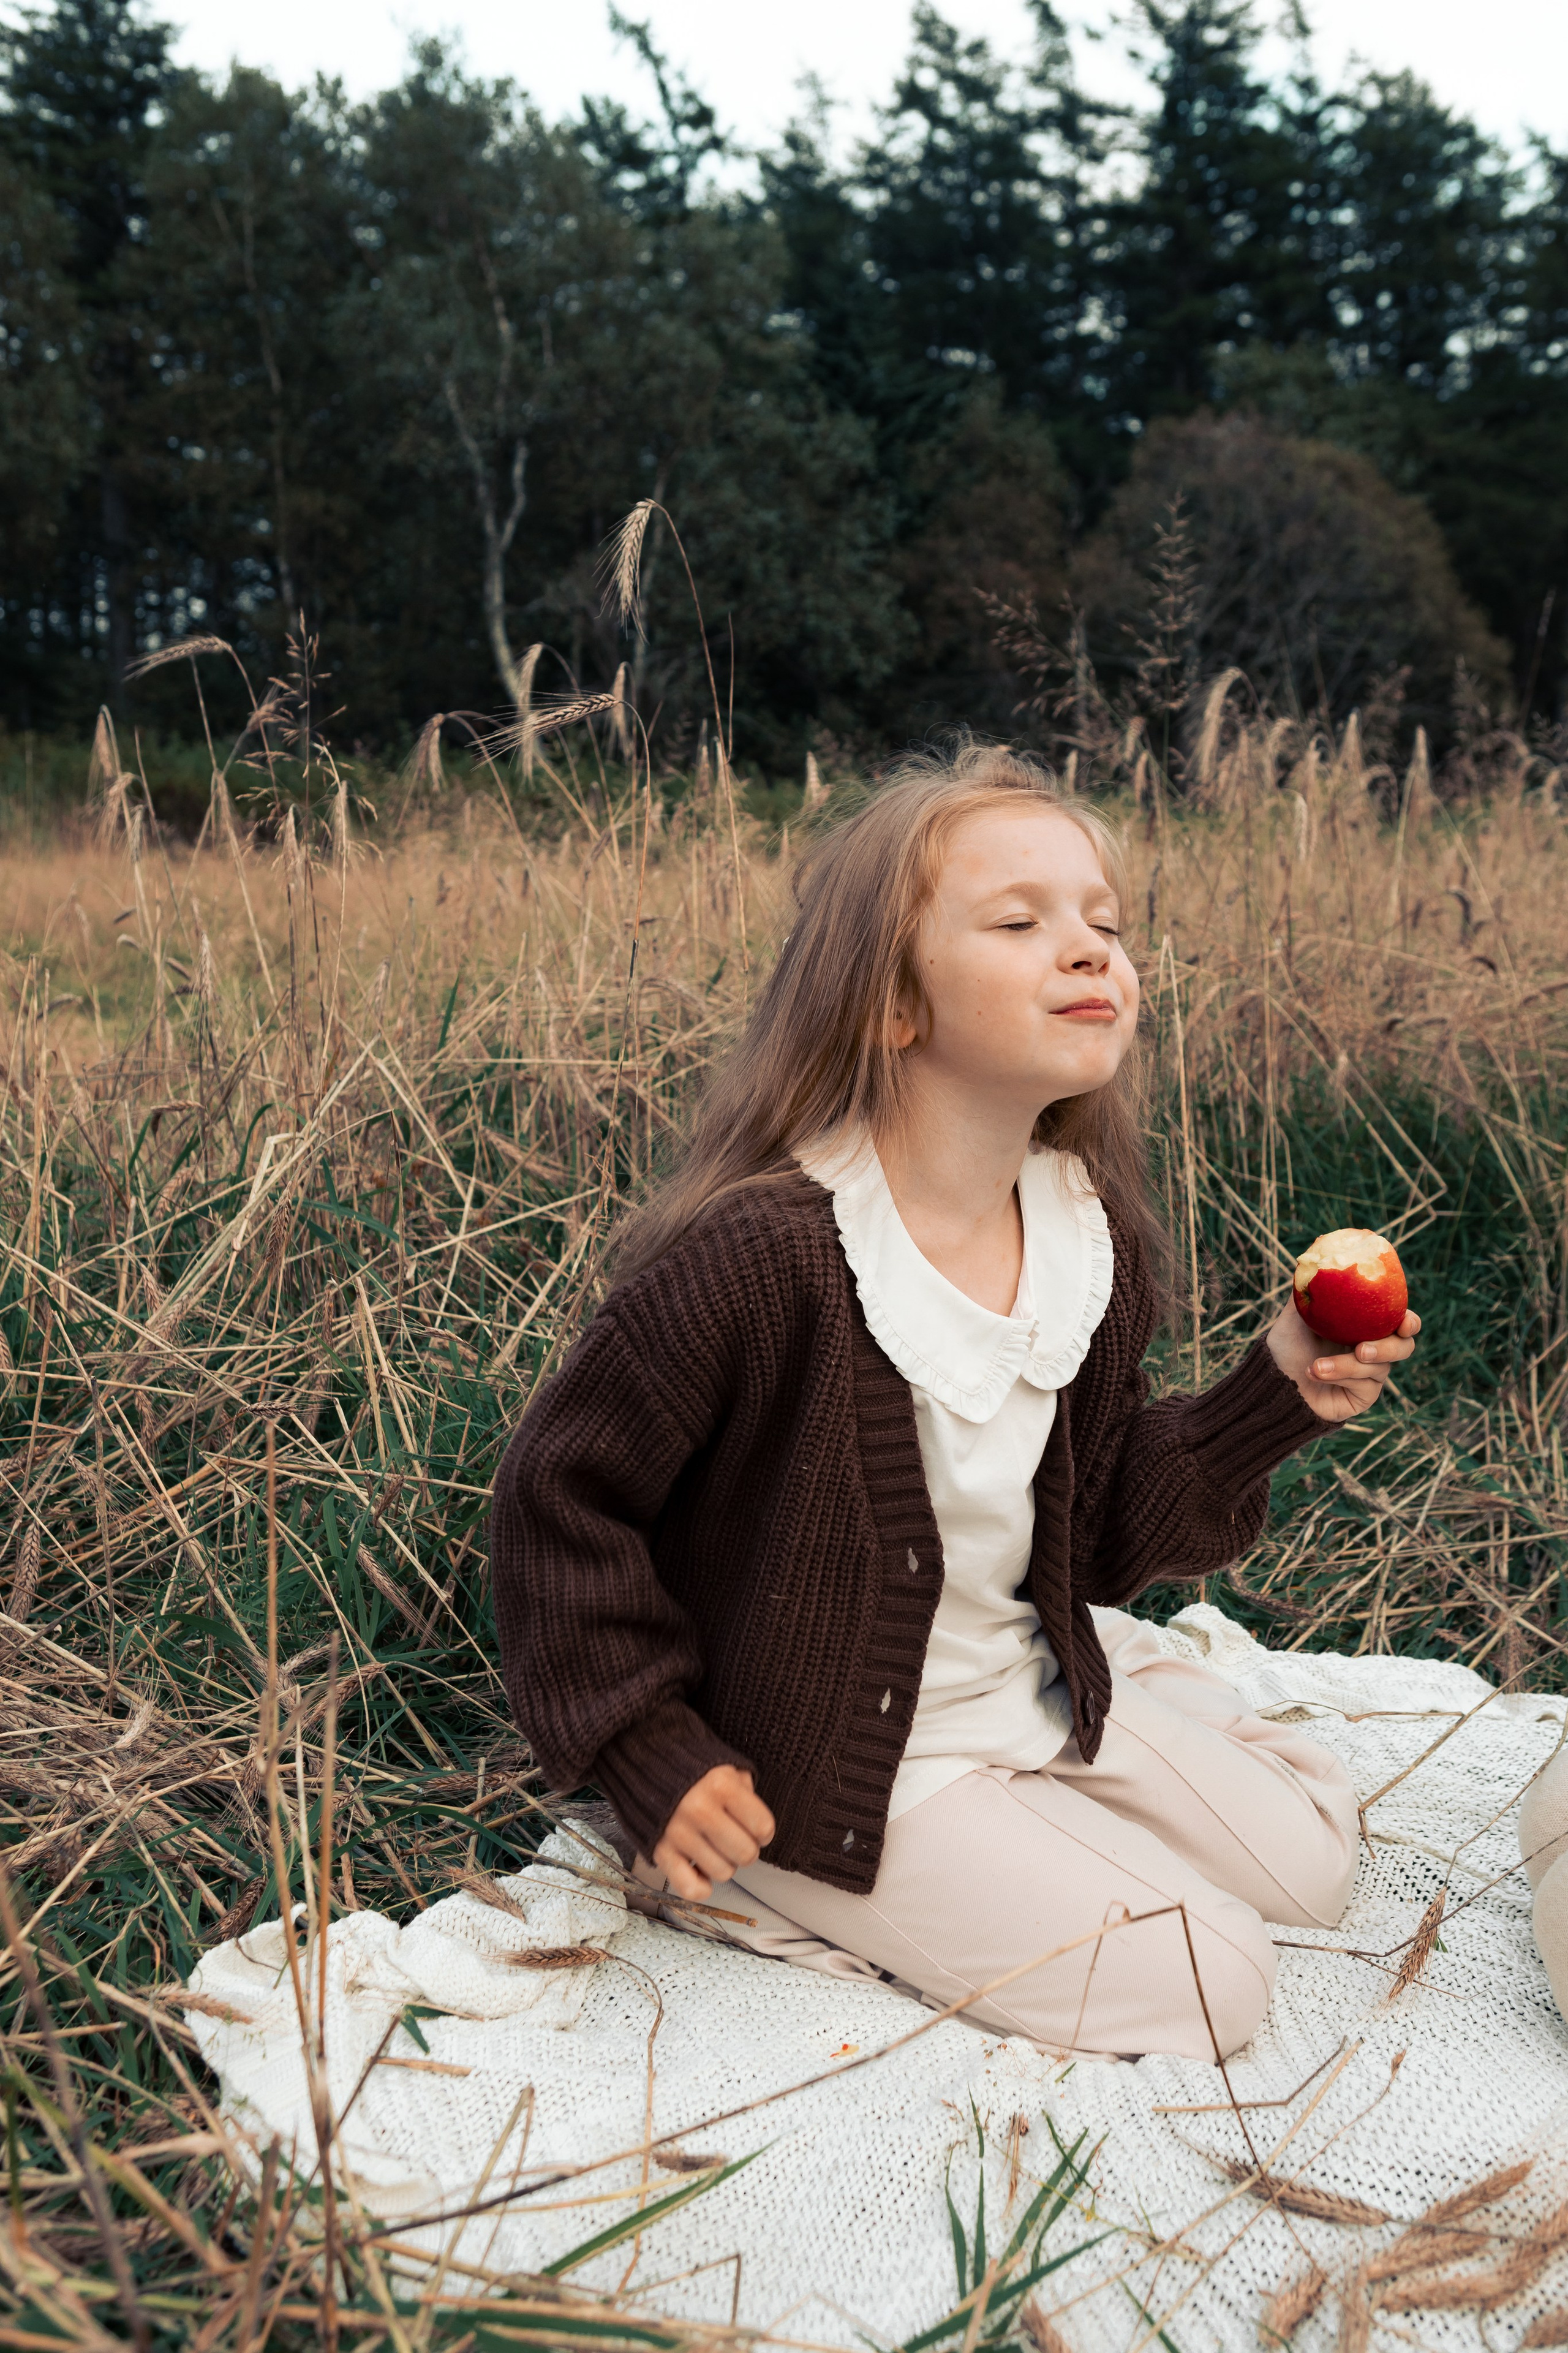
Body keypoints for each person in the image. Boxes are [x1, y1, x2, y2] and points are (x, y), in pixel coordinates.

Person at [489, 745, 1420, 2061]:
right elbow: (555, 1502)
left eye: (1104, 922)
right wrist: (649, 1750)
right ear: (891, 1006)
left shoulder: (1087, 1240)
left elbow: (1089, 1530)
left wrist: (1274, 1390)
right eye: (1019, 921)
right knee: (1216, 1979)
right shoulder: (762, 1259)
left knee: (1318, 1857)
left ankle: (1088, 1740)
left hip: (1017, 1679)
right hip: (819, 1755)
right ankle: (758, 1875)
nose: (1089, 948)